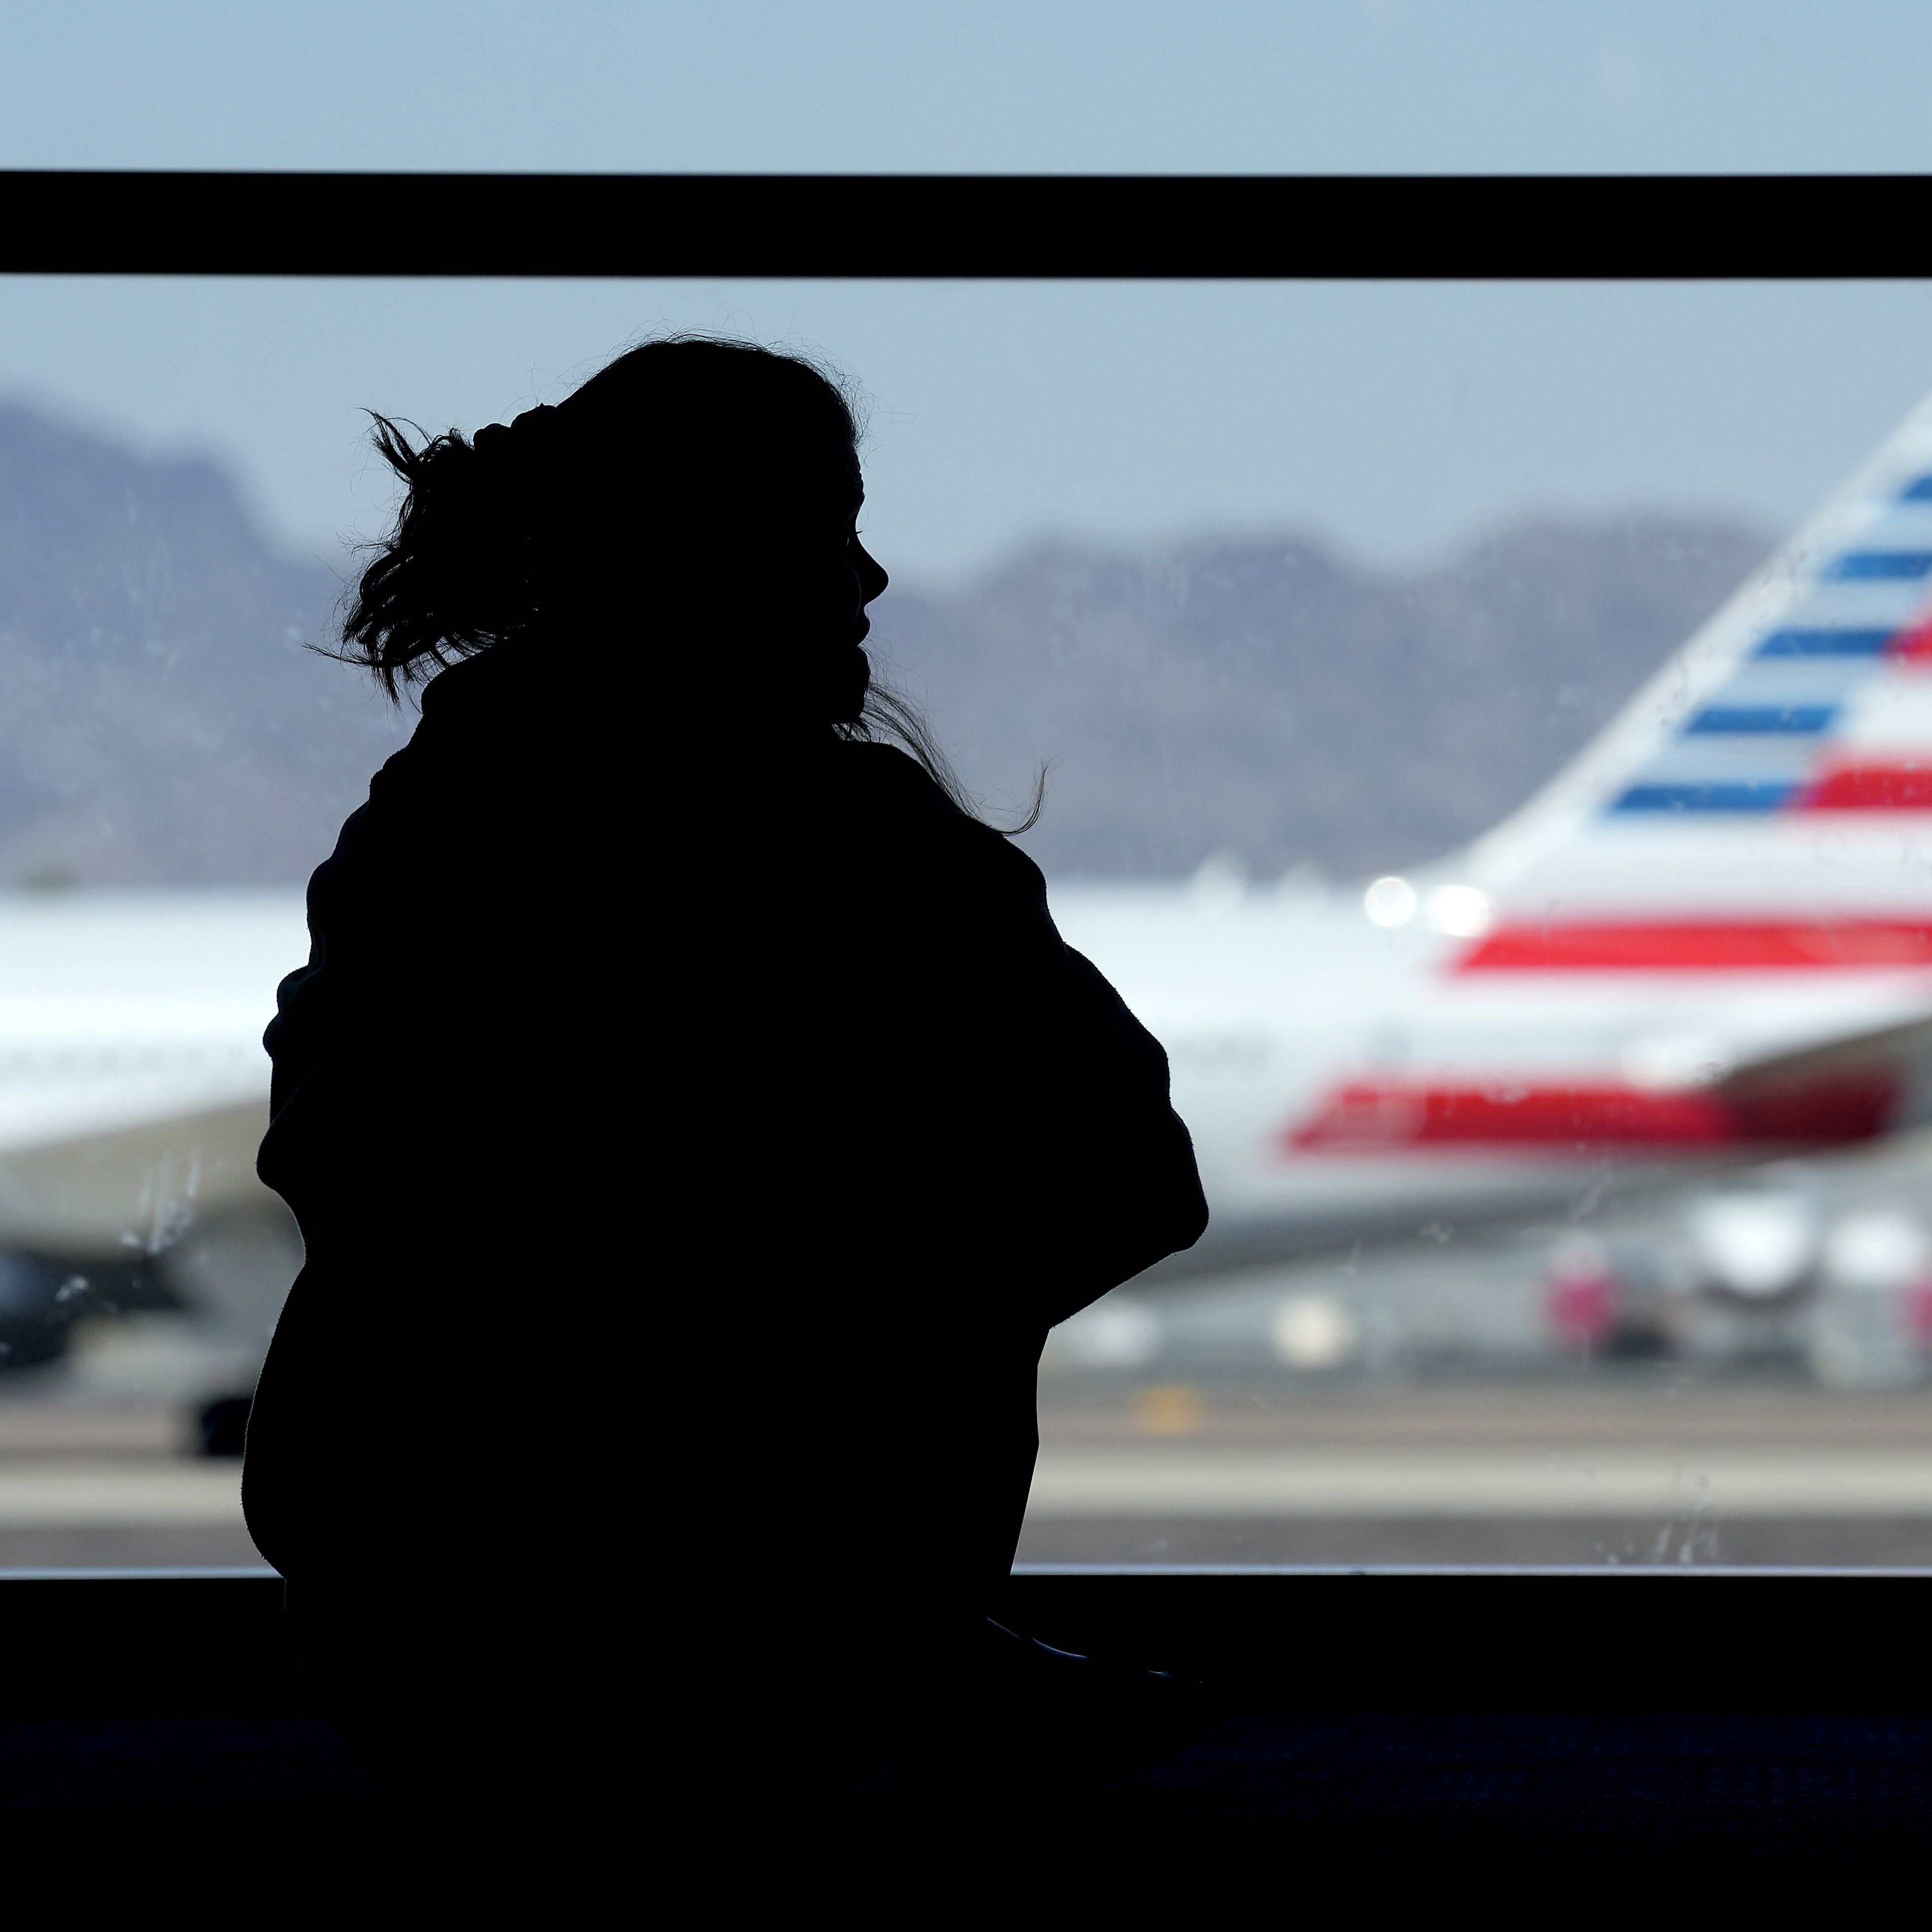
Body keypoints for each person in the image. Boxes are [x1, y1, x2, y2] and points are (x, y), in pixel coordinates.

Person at [239, 336, 1211, 1802]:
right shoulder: (864, 852)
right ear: (706, 556)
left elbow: (345, 1167)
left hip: (413, 1653)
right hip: (782, 1666)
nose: (869, 581)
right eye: (830, 530)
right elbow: (1133, 1176)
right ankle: (906, 1638)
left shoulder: (421, 833)